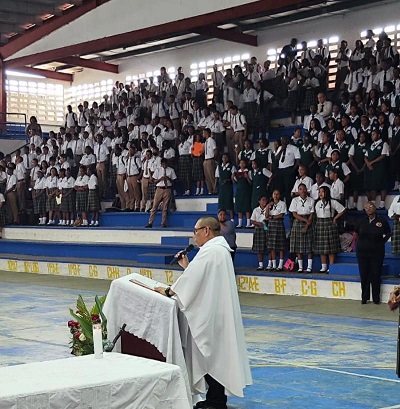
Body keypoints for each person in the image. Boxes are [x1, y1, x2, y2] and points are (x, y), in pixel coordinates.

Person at [155, 217, 252, 409]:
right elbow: (199, 277)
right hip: (216, 312)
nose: (194, 236)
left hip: (211, 315)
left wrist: (168, 291)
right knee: (215, 357)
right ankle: (214, 400)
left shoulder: (211, 251)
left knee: (211, 357)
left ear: (207, 230)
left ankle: (216, 402)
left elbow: (192, 279)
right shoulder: (219, 250)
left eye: (196, 231)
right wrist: (187, 266)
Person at [355, 202, 390, 304]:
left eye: (371, 207)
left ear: (375, 208)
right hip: (362, 253)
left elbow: (388, 233)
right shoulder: (361, 221)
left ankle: (376, 298)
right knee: (364, 275)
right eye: (366, 207)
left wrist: (381, 242)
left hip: (377, 252)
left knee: (376, 274)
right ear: (364, 209)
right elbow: (356, 233)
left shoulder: (381, 220)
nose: (369, 209)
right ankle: (364, 298)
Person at [314, 186, 346, 273]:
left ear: (326, 192)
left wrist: (335, 218)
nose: (320, 194)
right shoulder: (317, 203)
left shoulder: (332, 202)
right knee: (322, 246)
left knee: (330, 246)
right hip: (320, 223)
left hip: (329, 223)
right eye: (319, 192)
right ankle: (323, 266)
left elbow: (342, 210)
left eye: (322, 192)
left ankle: (330, 266)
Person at [289, 183, 315, 272]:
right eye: (300, 189)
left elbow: (312, 214)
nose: (302, 191)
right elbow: (294, 214)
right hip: (298, 221)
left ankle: (309, 267)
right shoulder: (295, 200)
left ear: (306, 190)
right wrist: (304, 220)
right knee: (298, 246)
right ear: (298, 191)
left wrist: (307, 224)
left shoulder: (311, 200)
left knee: (309, 246)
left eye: (304, 189)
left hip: (308, 221)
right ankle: (300, 267)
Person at [145, 158, 177, 228]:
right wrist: (160, 179)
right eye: (163, 164)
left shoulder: (171, 170)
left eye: (165, 164)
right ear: (161, 164)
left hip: (167, 188)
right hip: (159, 188)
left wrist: (168, 179)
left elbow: (174, 181)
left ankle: (163, 223)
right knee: (155, 206)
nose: (164, 165)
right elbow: (154, 181)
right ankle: (150, 222)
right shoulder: (158, 170)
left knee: (165, 207)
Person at [265, 190, 287, 271]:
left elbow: (281, 215)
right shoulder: (270, 204)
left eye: (277, 194)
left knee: (280, 245)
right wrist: (267, 207)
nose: (276, 195)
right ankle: (274, 265)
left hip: (279, 224)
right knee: (272, 246)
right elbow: (266, 216)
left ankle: (280, 265)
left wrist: (272, 217)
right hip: (271, 225)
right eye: (274, 194)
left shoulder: (282, 204)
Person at [250, 196, 269, 270]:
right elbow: (252, 220)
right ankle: (260, 264)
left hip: (266, 228)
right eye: (263, 200)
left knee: (268, 246)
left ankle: (269, 264)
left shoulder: (268, 209)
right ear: (259, 201)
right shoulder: (256, 210)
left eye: (265, 200)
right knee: (259, 248)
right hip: (258, 229)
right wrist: (257, 223)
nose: (264, 202)